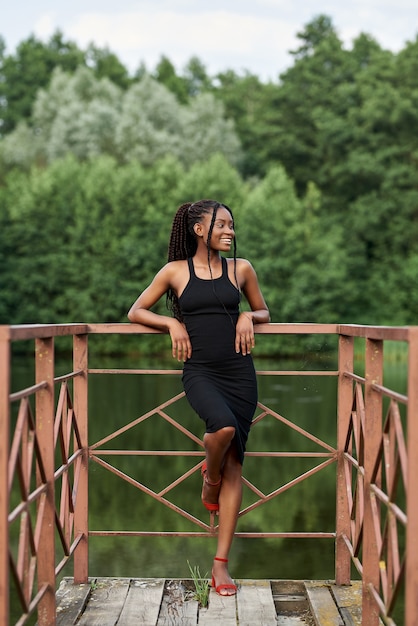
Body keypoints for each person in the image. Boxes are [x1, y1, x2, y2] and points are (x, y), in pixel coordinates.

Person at [128, 199, 270, 596]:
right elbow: (136, 311)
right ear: (198, 229)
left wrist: (246, 315)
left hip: (240, 373)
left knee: (236, 464)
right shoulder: (174, 272)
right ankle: (209, 475)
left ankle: (221, 565)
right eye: (222, 225)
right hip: (201, 371)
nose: (230, 231)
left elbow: (264, 313)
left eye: (231, 225)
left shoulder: (241, 269)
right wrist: (171, 322)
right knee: (221, 427)